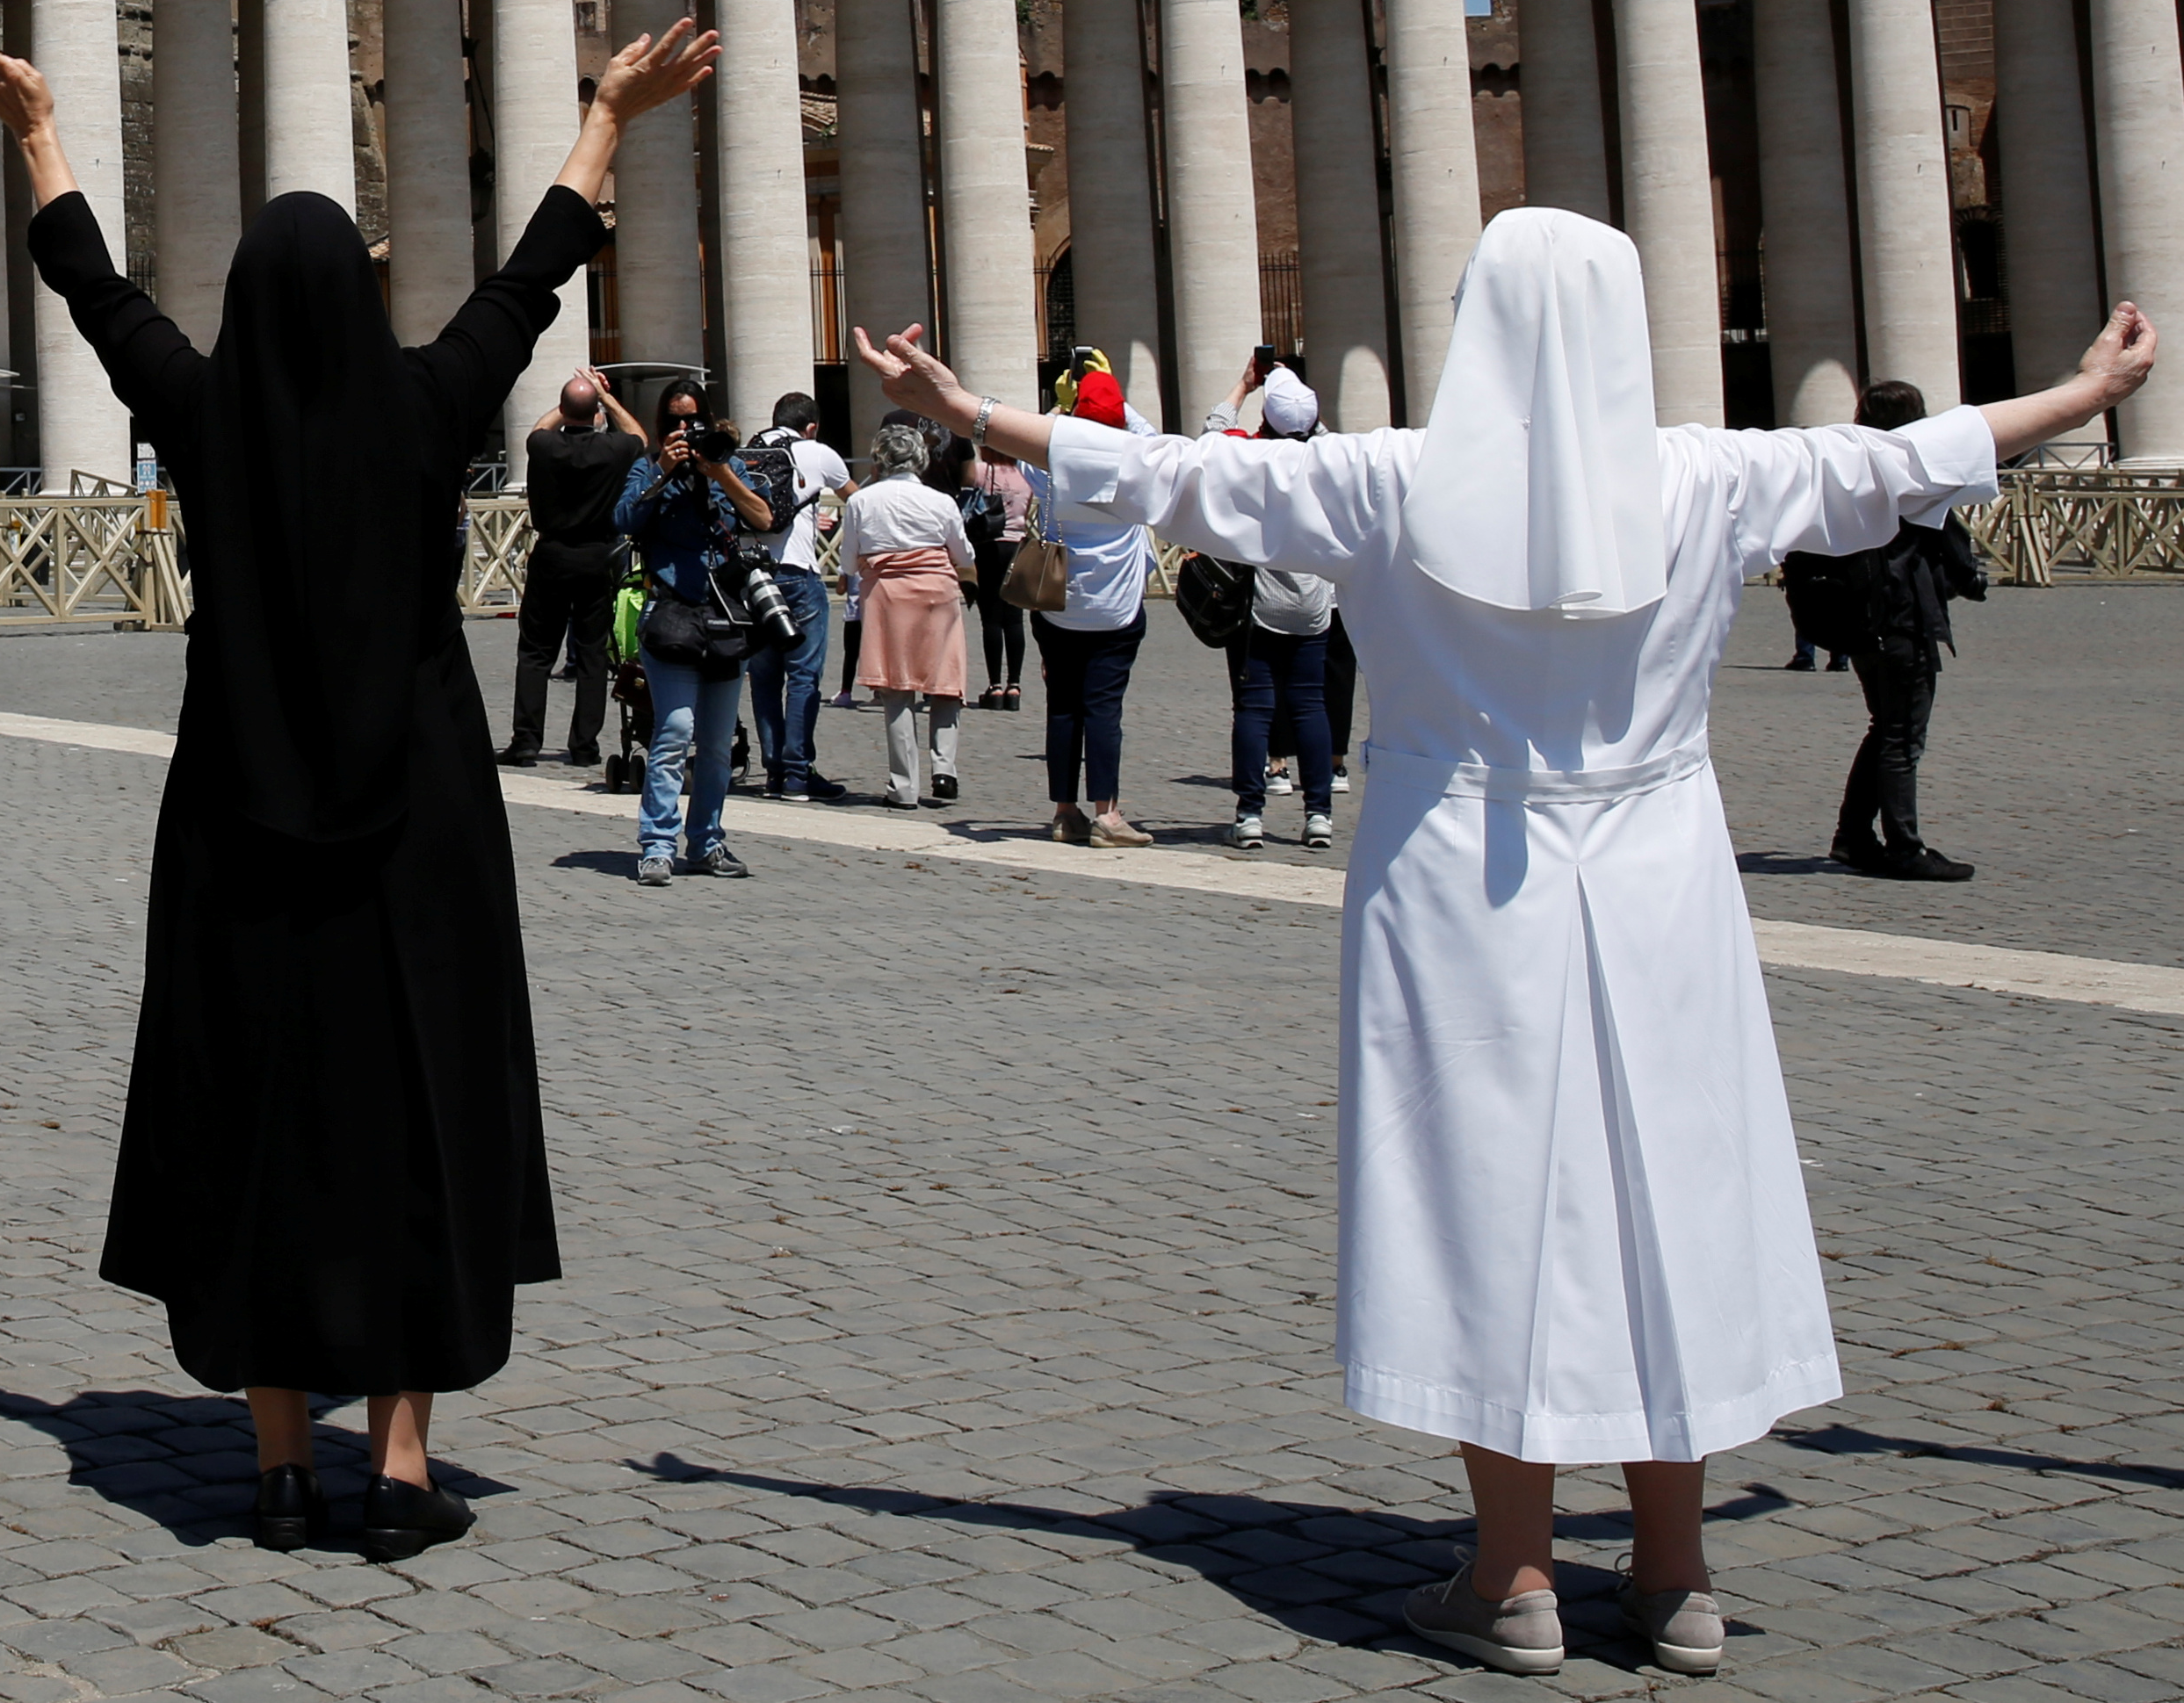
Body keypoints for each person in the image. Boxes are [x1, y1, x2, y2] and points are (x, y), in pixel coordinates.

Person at [854, 223, 2156, 1685]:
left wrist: (967, 412)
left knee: (1488, 1198)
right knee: (1674, 1193)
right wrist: (2076, 389)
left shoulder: (1387, 476)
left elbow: (1167, 471)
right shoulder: (1700, 474)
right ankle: (1675, 1574)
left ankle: (1512, 1570)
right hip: (1658, 877)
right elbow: (1895, 462)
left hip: (1454, 878)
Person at [0, 6, 717, 1559]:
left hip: (237, 825)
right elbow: (530, 277)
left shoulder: (200, 408)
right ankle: (404, 1462)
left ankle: (282, 1461)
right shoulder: (429, 409)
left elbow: (93, 288)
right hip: (414, 831)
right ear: (357, 304)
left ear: (245, 305)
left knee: (255, 1116)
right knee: (414, 1112)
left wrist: (33, 126)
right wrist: (605, 115)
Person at [1791, 381, 1986, 882]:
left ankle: (1853, 837)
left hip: (1859, 623)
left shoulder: (1847, 473)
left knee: (1885, 730)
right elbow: (1956, 553)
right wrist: (1970, 579)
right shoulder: (1913, 475)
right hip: (1903, 619)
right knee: (1902, 737)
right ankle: (1903, 846)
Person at [615, 386, 774, 880]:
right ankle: (658, 844)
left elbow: (764, 517)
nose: (685, 430)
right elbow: (622, 519)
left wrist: (719, 470)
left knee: (717, 740)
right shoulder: (647, 467)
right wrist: (664, 470)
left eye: (693, 420)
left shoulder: (729, 466)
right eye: (674, 421)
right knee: (674, 730)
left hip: (725, 618)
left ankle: (706, 842)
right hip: (672, 616)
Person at [1033, 356, 1154, 845]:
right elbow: (1157, 438)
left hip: (1060, 604)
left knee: (1063, 708)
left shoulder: (1054, 466)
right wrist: (1113, 393)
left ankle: (1065, 811)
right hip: (1117, 608)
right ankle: (1107, 813)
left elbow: (1029, 443)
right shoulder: (1136, 465)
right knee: (1104, 711)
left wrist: (1062, 409)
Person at [1221, 370, 1339, 853]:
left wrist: (1243, 388)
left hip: (1263, 604)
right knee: (1311, 706)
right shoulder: (1328, 460)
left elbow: (1211, 436)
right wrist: (1309, 416)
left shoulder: (1253, 457)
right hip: (1313, 603)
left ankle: (1250, 813)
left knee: (1255, 709)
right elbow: (1327, 438)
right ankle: (1319, 814)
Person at [500, 372, 640, 769]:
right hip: (598, 555)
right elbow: (639, 436)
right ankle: (584, 744)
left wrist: (567, 407)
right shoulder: (614, 449)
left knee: (535, 651)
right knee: (593, 653)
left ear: (563, 411)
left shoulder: (544, 446)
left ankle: (526, 740)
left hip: (553, 553)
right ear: (596, 413)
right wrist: (607, 399)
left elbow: (541, 426)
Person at [840, 421, 973, 809]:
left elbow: (847, 562)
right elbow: (964, 554)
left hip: (887, 595)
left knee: (897, 689)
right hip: (937, 592)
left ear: (879, 459)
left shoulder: (860, 501)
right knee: (946, 681)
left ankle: (904, 786)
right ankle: (944, 768)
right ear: (921, 459)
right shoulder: (941, 501)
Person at [741, 394, 852, 799]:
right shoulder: (818, 453)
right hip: (797, 572)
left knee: (764, 679)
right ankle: (798, 773)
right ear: (811, 427)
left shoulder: (747, 450)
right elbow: (857, 502)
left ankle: (774, 772)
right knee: (803, 675)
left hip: (751, 576)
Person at [952, 434, 1036, 709]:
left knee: (991, 617)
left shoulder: (981, 471)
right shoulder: (1025, 476)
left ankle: (995, 685)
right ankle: (1015, 685)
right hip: (1017, 546)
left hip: (988, 546)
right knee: (1014, 617)